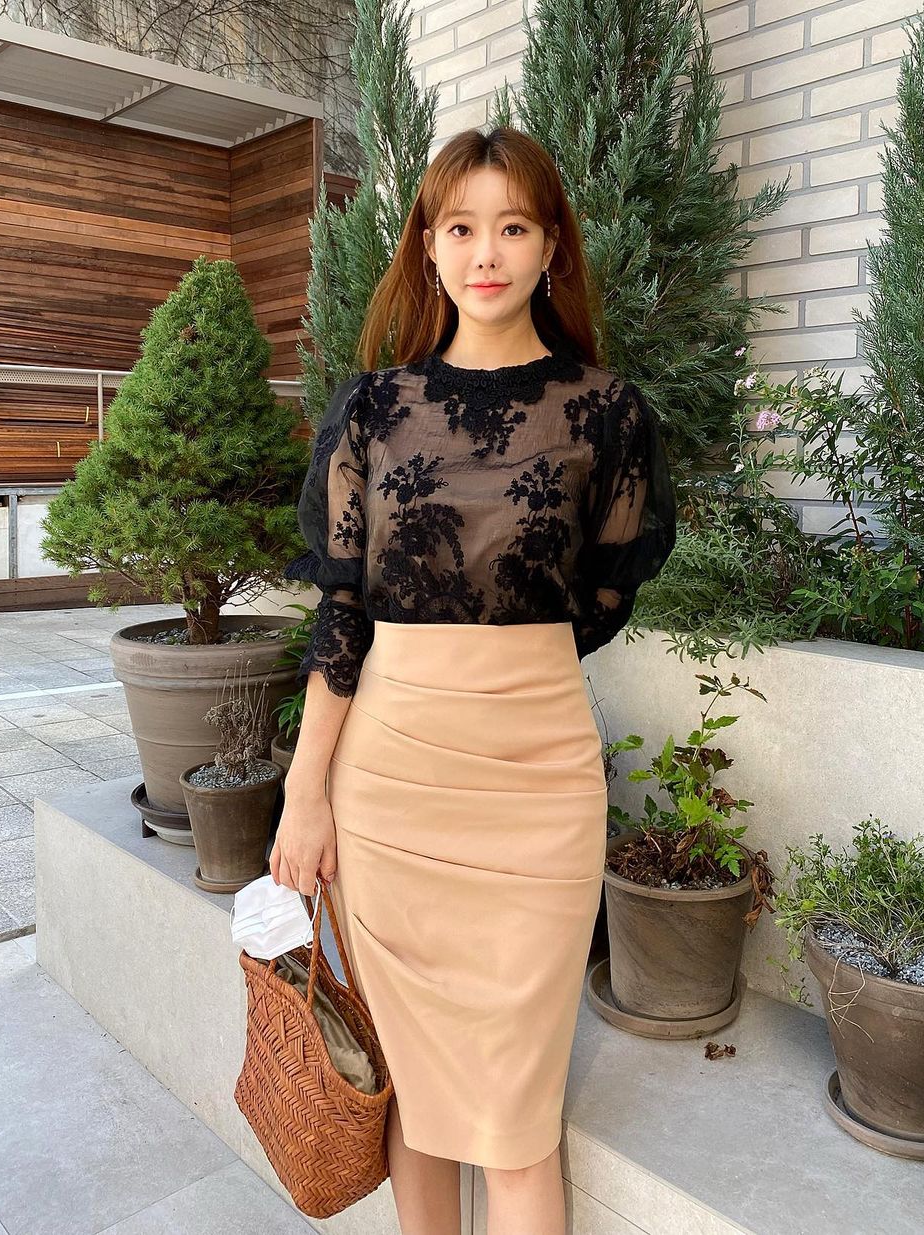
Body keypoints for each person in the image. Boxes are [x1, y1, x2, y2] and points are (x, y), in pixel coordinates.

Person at [270, 125, 677, 1235]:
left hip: (538, 786)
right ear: (428, 247)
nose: (485, 252)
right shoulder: (373, 410)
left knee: (515, 1113)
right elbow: (342, 613)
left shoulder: (607, 412)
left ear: (552, 247)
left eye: (512, 226)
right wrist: (306, 793)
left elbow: (604, 595)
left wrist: (504, 665)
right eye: (459, 227)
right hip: (392, 783)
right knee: (419, 1087)